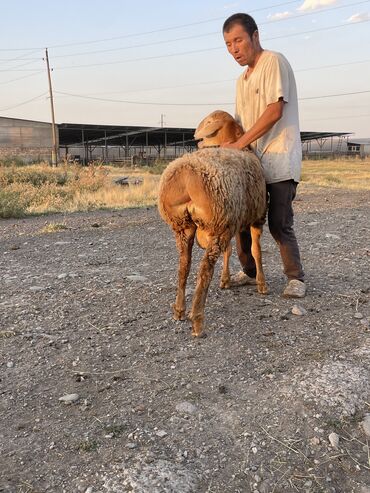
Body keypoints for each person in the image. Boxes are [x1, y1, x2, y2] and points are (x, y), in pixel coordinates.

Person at [222, 13, 306, 298]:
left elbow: (275, 110)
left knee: (279, 222)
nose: (234, 49)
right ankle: (249, 271)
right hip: (254, 164)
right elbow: (238, 124)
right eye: (228, 44)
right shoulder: (240, 81)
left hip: (280, 155)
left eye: (238, 40)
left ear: (255, 36)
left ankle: (295, 278)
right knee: (243, 219)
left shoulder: (273, 61)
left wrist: (239, 144)